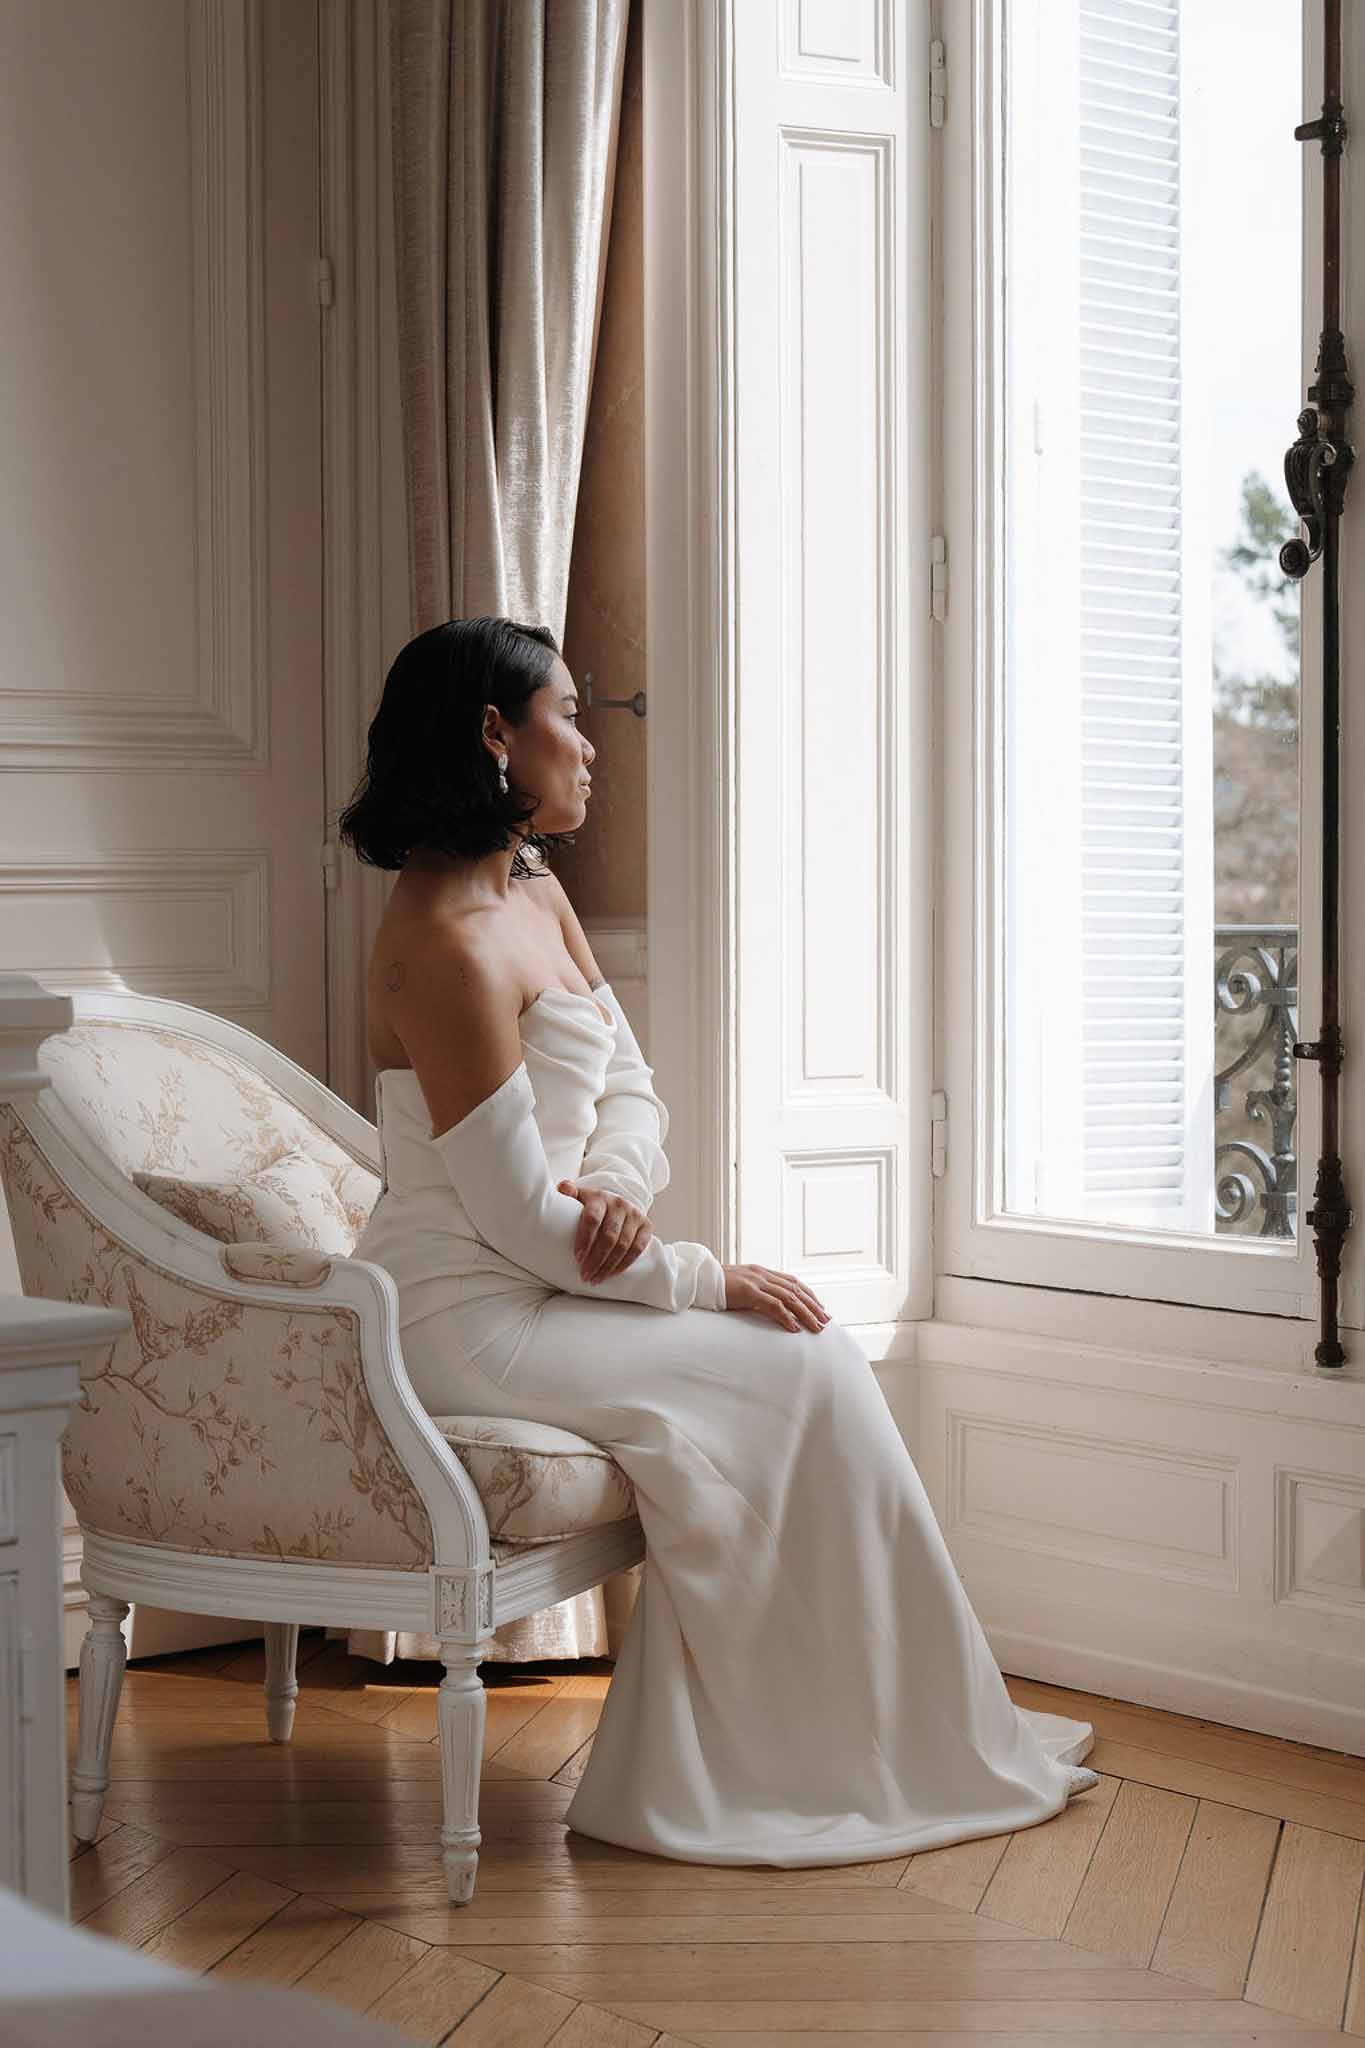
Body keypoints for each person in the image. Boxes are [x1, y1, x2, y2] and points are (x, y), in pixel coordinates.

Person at [342, 615, 1098, 1868]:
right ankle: (768, 1762)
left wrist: (623, 1190)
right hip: (464, 1315)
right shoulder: (443, 946)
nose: (591, 747)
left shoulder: (531, 888)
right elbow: (520, 1224)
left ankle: (887, 1734)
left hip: (552, 1275)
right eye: (569, 716)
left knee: (815, 1362)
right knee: (796, 1358)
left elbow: (636, 1089)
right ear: (494, 735)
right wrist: (702, 1274)